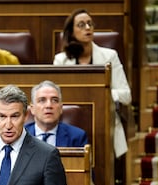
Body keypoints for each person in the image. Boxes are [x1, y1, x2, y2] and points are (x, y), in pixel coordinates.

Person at [53, 8, 131, 158]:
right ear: (71, 31)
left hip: (104, 123)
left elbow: (126, 95)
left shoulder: (109, 56)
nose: (88, 28)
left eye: (90, 24)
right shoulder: (61, 60)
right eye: (81, 25)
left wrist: (100, 93)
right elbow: (57, 95)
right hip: (72, 122)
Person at [24, 80, 88, 147]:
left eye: (55, 100)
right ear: (32, 109)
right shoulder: (20, 136)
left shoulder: (77, 137)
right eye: (42, 100)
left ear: (60, 108)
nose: (49, 105)